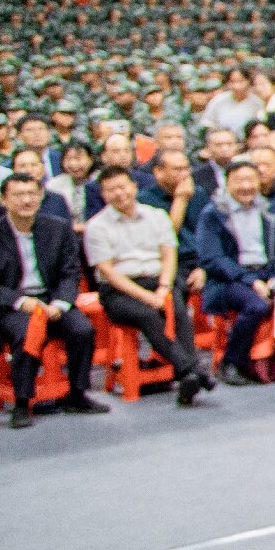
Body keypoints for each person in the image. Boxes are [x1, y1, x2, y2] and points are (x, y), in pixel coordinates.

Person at [84, 164, 215, 403]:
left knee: (177, 309)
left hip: (158, 281)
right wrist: (147, 297)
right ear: (103, 195)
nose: (120, 193)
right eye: (112, 190)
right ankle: (191, 370)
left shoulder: (156, 216)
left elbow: (169, 255)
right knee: (148, 314)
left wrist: (163, 288)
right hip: (119, 290)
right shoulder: (96, 226)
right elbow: (108, 272)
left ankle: (189, 373)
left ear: (134, 187)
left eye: (123, 187)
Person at [0, 168, 107, 425]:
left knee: (82, 329)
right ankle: (22, 402)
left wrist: (61, 303)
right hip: (14, 305)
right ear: (4, 200)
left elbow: (70, 272)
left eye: (32, 194)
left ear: (41, 196)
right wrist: (20, 301)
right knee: (26, 333)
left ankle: (77, 394)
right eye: (18, 195)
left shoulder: (58, 228)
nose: (26, 200)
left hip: (52, 300)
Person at [197, 156, 275, 386]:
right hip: (230, 278)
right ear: (227, 183)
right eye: (239, 181)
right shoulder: (213, 213)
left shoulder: (270, 210)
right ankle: (231, 362)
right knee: (255, 305)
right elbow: (214, 258)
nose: (246, 186)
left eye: (251, 180)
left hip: (267, 273)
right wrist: (249, 281)